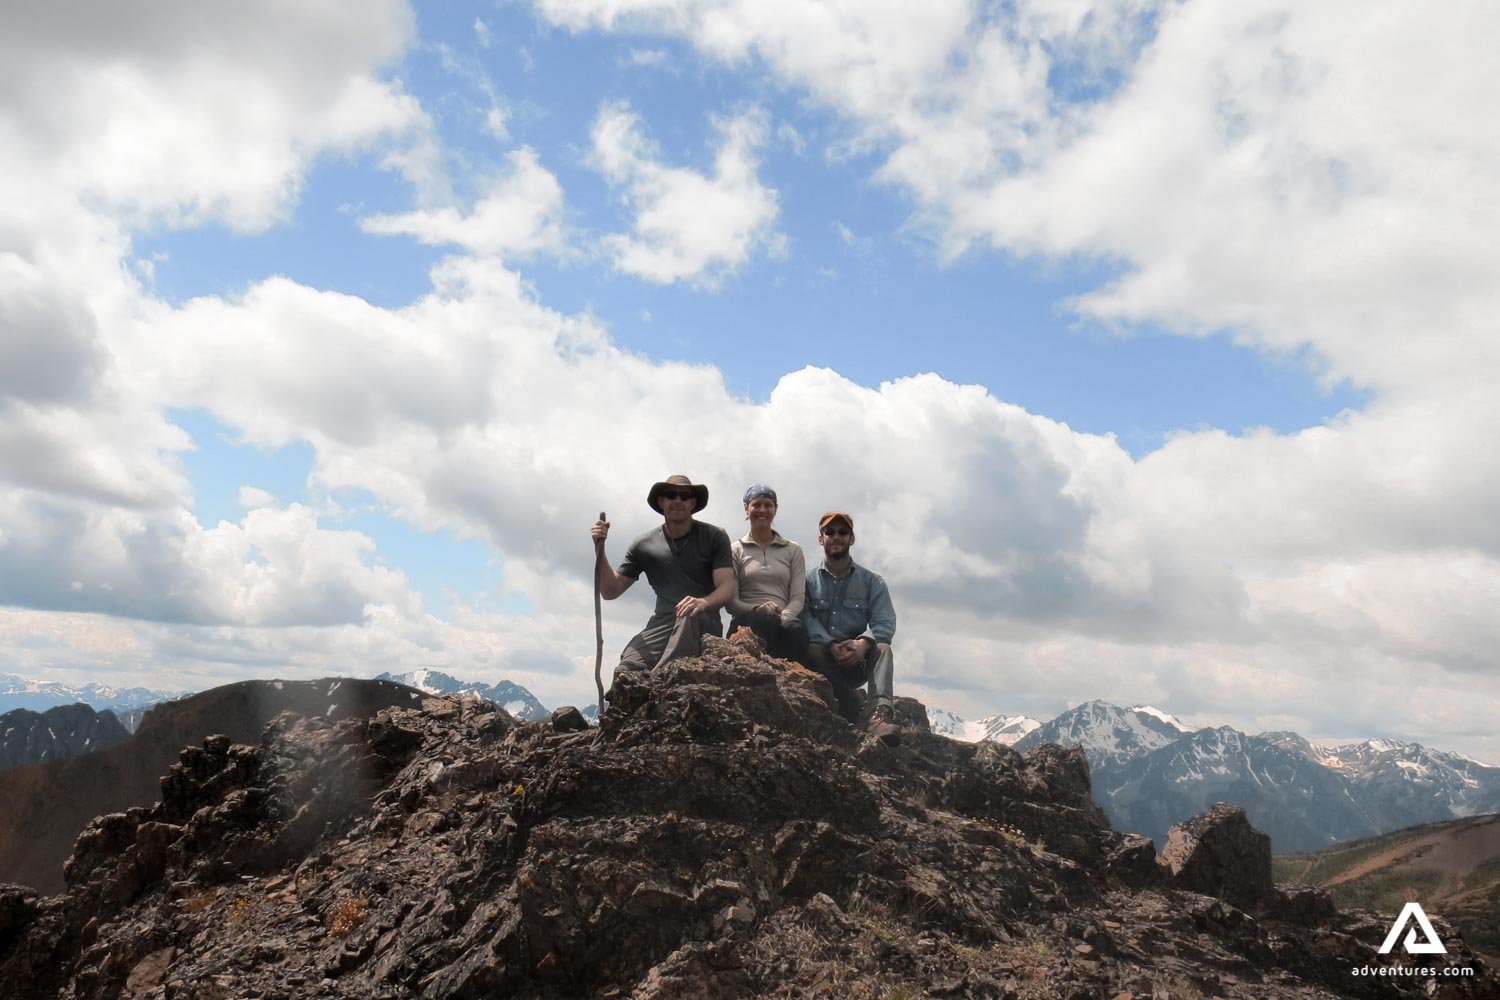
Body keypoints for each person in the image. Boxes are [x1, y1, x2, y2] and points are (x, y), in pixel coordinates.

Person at [591, 475, 737, 679]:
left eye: (684, 496)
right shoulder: (643, 544)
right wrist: (600, 548)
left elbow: (727, 587)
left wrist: (702, 603)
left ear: (692, 503)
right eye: (670, 494)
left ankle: (660, 682)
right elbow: (609, 590)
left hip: (702, 619)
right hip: (662, 622)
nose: (677, 500)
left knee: (687, 616)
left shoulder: (714, 536)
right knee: (627, 671)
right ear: (661, 502)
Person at [800, 511, 901, 745]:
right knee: (813, 649)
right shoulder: (806, 581)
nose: (836, 537)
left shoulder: (873, 582)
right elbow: (805, 616)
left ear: (851, 538)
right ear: (820, 538)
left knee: (883, 649)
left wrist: (864, 643)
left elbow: (885, 621)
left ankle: (880, 715)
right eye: (830, 532)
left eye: (843, 532)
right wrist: (830, 643)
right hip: (823, 661)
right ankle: (848, 702)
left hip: (858, 660)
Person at [725, 484, 809, 660]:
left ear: (775, 509)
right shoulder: (734, 550)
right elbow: (731, 602)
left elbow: (797, 597)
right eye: (756, 504)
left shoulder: (792, 550)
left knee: (796, 629)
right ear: (746, 508)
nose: (762, 510)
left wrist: (783, 616)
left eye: (768, 505)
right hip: (745, 623)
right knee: (767, 620)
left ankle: (789, 679)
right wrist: (759, 609)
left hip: (782, 619)